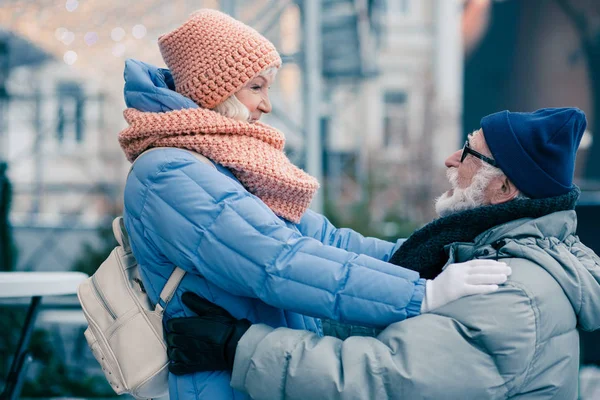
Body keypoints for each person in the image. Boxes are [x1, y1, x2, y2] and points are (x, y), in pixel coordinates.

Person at [119, 9, 509, 400]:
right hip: (223, 384)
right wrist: (419, 295)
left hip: (255, 375)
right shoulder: (170, 173)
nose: (267, 106)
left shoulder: (220, 163)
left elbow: (326, 240)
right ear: (215, 91)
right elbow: (275, 262)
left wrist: (432, 256)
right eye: (256, 88)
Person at [165, 108, 600, 399]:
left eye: (469, 152)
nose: (451, 160)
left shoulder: (510, 289)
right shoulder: (499, 257)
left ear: (503, 189)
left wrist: (240, 346)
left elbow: (384, 377)